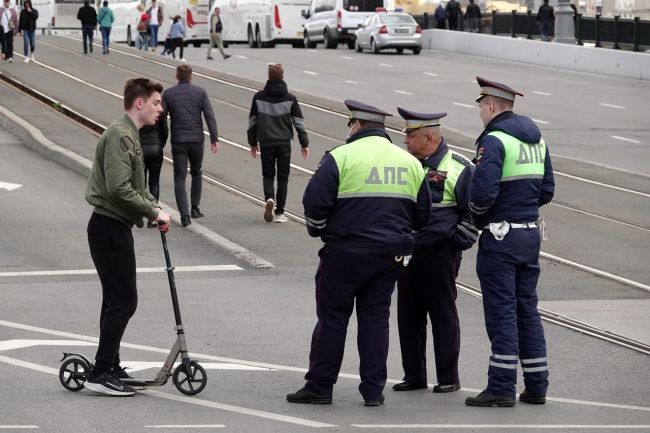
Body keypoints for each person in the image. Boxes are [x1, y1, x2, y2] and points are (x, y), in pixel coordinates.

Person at [287, 100, 431, 407]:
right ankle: (373, 391)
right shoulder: (410, 163)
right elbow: (422, 215)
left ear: (356, 124)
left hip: (345, 253)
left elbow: (314, 204)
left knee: (333, 318)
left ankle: (320, 386)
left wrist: (320, 230)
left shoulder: (340, 157)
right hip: (390, 255)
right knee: (376, 319)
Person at [465, 77, 554, 407]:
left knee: (502, 312)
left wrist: (476, 217)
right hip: (530, 233)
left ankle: (501, 387)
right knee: (526, 310)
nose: (480, 114)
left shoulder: (494, 140)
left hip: (500, 238)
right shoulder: (536, 141)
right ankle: (536, 385)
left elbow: (482, 193)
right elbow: (547, 190)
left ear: (490, 105)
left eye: (480, 108)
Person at [84, 77, 171, 396]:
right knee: (124, 300)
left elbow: (136, 187)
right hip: (108, 226)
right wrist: (152, 213)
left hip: (112, 226)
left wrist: (154, 206)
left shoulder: (128, 134)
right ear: (140, 103)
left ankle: (110, 364)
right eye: (156, 103)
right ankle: (102, 370)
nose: (160, 109)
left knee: (115, 299)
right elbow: (118, 189)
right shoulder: (122, 135)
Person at [393, 108, 477, 395]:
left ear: (429, 138)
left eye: (411, 136)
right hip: (408, 252)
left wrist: (456, 241)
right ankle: (414, 375)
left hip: (441, 253)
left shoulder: (459, 166)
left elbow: (473, 212)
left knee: (442, 314)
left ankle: (448, 377)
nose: (405, 141)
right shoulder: (404, 164)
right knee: (408, 314)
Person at [248, 64, 309, 223]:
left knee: (268, 175)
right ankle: (280, 212)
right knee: (283, 177)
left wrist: (252, 142)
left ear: (268, 77)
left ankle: (269, 198)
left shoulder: (258, 97)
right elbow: (299, 123)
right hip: (283, 143)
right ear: (283, 77)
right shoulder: (290, 98)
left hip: (266, 142)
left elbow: (252, 122)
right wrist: (304, 143)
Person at [161, 64, 219, 227]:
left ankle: (184, 216)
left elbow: (161, 116)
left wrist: (161, 138)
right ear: (191, 76)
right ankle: (195, 208)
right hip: (196, 140)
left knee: (180, 176)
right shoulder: (200, 92)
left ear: (177, 76)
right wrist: (214, 138)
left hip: (178, 140)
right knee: (197, 171)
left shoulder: (168, 94)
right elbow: (209, 116)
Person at [139, 108, 168, 210]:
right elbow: (164, 131)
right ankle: (154, 214)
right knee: (154, 182)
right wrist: (159, 145)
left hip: (141, 147)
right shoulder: (159, 110)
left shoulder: (139, 109)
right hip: (156, 148)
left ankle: (141, 210)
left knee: (140, 181)